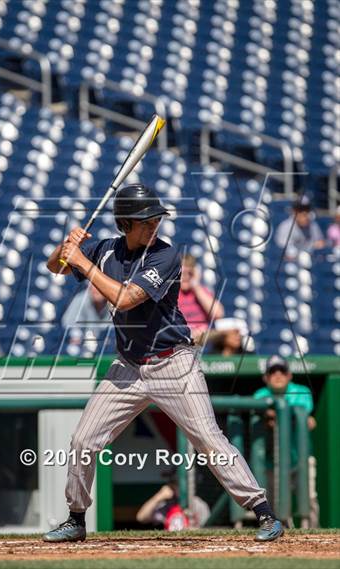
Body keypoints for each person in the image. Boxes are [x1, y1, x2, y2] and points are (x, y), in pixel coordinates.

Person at [44, 183, 284, 543]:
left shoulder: (166, 256)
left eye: (155, 217)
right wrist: (66, 247)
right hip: (127, 366)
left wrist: (82, 262)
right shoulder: (106, 249)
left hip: (174, 363)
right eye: (144, 220)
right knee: (83, 440)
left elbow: (125, 299)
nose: (153, 224)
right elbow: (56, 268)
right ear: (125, 223)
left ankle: (264, 512)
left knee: (207, 438)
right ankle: (76, 518)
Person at [253, 355, 319, 528]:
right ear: (265, 378)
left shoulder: (301, 391)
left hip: (300, 459)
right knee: (274, 504)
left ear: (289, 375)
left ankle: (314, 534)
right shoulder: (260, 393)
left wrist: (278, 415)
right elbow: (259, 404)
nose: (278, 375)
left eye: (282, 370)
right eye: (272, 371)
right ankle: (278, 536)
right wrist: (268, 416)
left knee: (309, 499)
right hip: (271, 462)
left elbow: (301, 410)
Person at [178, 254, 224, 343]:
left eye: (190, 273)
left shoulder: (200, 291)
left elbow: (218, 314)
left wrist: (195, 285)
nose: (186, 277)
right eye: (182, 273)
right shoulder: (170, 293)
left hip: (202, 340)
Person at [61, 282, 112, 357]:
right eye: (93, 285)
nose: (96, 289)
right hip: (83, 351)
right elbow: (70, 327)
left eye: (100, 286)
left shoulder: (115, 303)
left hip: (107, 351)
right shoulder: (81, 299)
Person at [136, 480, 210, 530]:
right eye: (173, 485)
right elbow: (141, 518)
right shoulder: (167, 505)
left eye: (178, 485)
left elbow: (207, 529)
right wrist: (158, 497)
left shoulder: (197, 503)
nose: (176, 488)